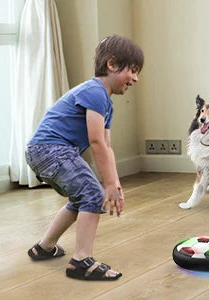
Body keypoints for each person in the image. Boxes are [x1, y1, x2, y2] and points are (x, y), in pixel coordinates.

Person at [25, 34, 144, 280]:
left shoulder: (105, 102)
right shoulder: (95, 92)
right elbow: (96, 141)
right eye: (132, 70)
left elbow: (107, 145)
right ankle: (81, 261)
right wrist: (107, 185)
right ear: (112, 64)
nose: (135, 78)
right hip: (51, 149)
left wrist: (115, 182)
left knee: (82, 199)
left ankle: (44, 247)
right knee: (92, 195)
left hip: (45, 151)